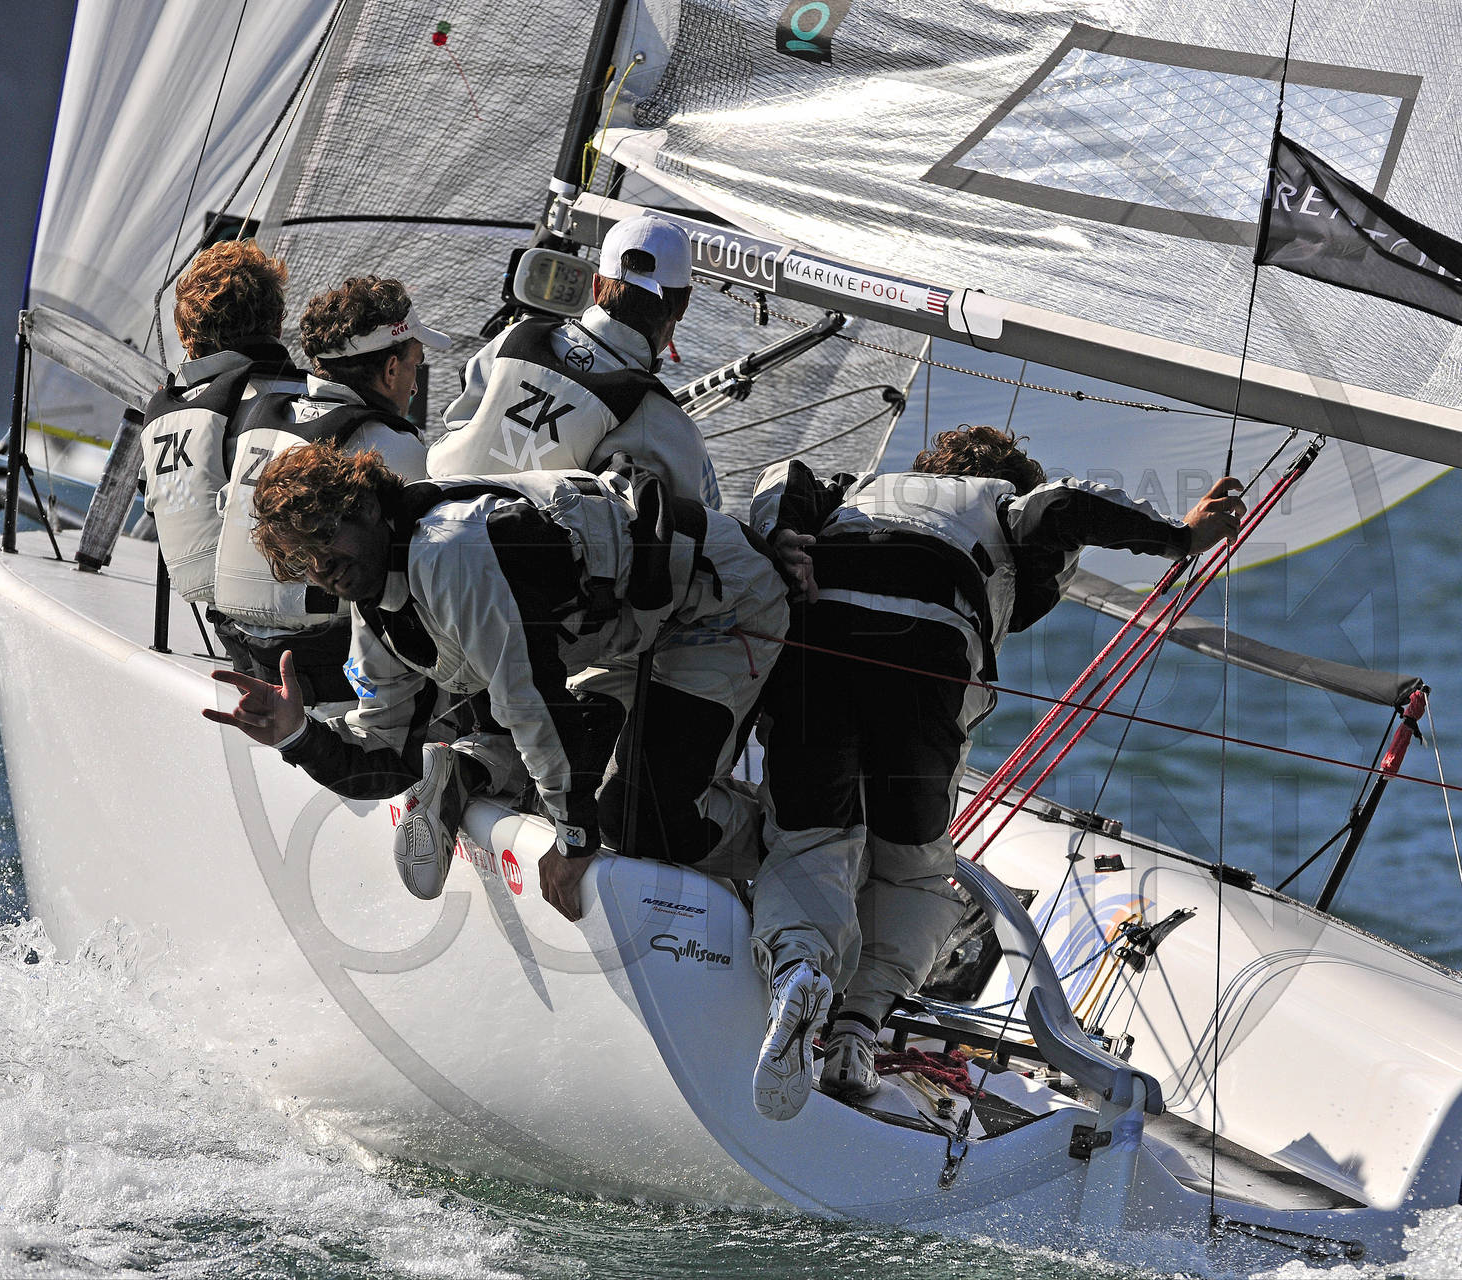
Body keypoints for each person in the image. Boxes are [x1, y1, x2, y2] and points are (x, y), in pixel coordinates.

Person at [743, 427, 1246, 1121]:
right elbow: (1064, 505)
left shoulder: (855, 490)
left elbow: (784, 475)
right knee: (912, 870)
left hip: (815, 655)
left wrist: (781, 537)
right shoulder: (1004, 502)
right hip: (926, 665)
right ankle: (855, 1035)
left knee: (811, 841)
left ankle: (799, 971)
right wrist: (1180, 537)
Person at [202, 441, 790, 913]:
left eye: (324, 536)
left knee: (640, 817)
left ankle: (800, 856)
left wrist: (574, 842)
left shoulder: (452, 550)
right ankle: (753, 842)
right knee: (584, 782)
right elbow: (387, 753)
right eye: (300, 558)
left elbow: (530, 704)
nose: (320, 566)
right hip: (627, 634)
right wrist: (298, 735)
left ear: (369, 507)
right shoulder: (375, 604)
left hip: (718, 607)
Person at [204, 275, 438, 700]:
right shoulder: (389, 444)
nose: (415, 385)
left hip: (243, 649)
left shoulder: (260, 415)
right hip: (331, 672)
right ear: (391, 369)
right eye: (414, 365)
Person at [432, 213, 721, 508]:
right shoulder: (666, 422)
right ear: (684, 304)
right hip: (512, 536)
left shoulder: (514, 338)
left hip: (431, 516)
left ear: (596, 287)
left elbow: (457, 418)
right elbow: (702, 512)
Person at [142, 240, 308, 611]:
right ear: (278, 324)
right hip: (305, 608)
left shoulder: (168, 418)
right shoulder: (317, 403)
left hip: (215, 611)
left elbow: (156, 505)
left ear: (186, 336)